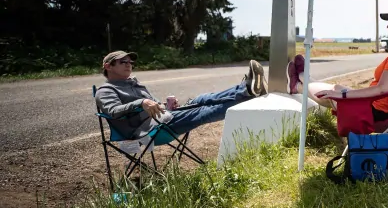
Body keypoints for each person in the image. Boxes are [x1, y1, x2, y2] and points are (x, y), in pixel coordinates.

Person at [286, 5, 388, 122]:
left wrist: (345, 96)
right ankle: (302, 79)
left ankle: (299, 84)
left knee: (334, 95)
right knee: (338, 87)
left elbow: (382, 89)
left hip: (377, 113)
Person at [95, 51, 267, 139]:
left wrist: (166, 105)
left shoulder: (134, 83)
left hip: (163, 117)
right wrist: (142, 102)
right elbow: (113, 111)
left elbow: (152, 104)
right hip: (147, 130)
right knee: (203, 111)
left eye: (130, 62)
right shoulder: (106, 90)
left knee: (201, 99)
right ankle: (251, 95)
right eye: (123, 62)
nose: (129, 64)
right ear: (108, 66)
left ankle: (247, 89)